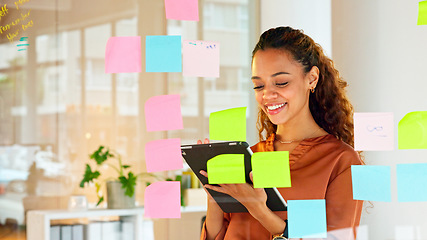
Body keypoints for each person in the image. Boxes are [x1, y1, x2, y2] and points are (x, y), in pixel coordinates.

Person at [198, 26, 363, 240]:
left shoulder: (341, 161)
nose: (268, 94)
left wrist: (260, 211)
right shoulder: (248, 157)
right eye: (258, 86)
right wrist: (214, 198)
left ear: (312, 78)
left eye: (281, 82)